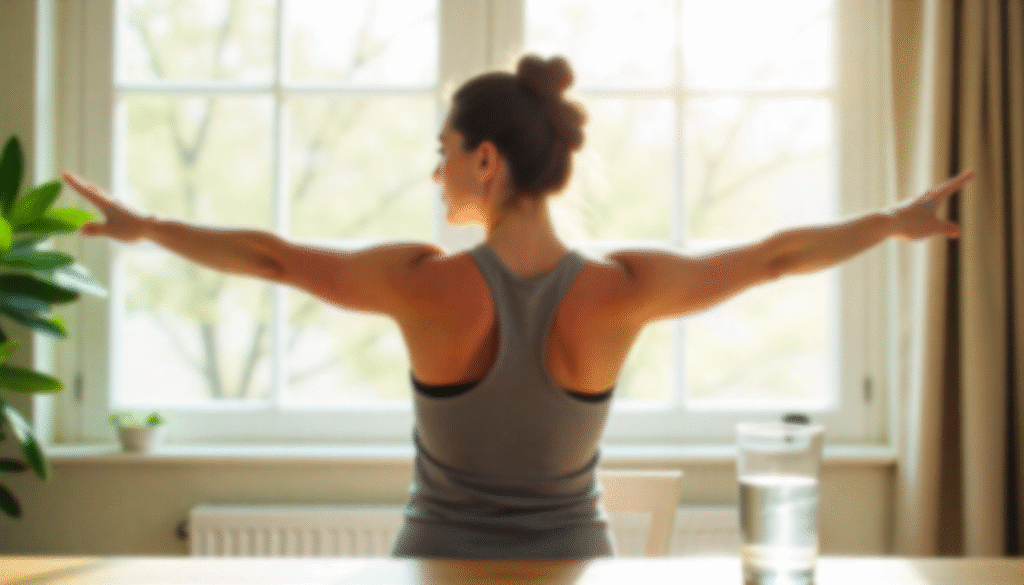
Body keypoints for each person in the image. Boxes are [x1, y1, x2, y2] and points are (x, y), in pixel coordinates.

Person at [63, 54, 973, 559]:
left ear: (486, 160)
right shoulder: (622, 290)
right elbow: (774, 260)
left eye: (445, 149)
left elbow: (270, 258)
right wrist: (892, 222)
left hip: (433, 565)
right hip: (577, 566)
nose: (437, 170)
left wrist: (148, 226)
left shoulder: (424, 284)